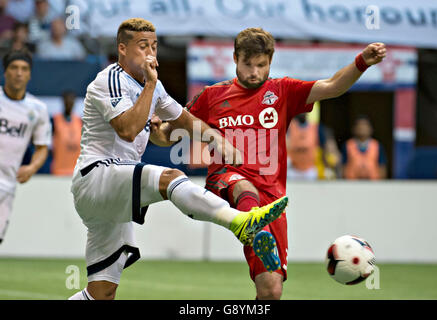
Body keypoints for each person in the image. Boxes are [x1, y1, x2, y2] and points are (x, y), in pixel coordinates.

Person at [152, 28, 386, 299]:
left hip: (272, 201)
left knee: (271, 291)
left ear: (270, 62)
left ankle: (256, 225)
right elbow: (168, 136)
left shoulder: (283, 91)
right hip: (227, 181)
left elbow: (333, 86)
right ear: (235, 58)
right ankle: (251, 222)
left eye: (261, 65)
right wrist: (156, 131)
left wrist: (362, 62)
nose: (254, 72)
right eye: (247, 64)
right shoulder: (211, 96)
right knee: (243, 186)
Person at [68, 18, 288, 301]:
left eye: (154, 46)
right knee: (171, 178)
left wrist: (217, 139)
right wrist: (150, 86)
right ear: (122, 49)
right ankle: (240, 222)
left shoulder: (153, 87)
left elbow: (183, 120)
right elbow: (127, 130)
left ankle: (242, 222)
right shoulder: (109, 80)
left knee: (101, 294)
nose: (150, 53)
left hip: (115, 197)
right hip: (96, 176)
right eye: (142, 46)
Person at [0, 49, 50, 244]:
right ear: (5, 72)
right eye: (14, 68)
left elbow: (42, 147)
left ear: (29, 74)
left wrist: (32, 167)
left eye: (24, 68)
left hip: (8, 184)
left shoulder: (37, 109)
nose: (19, 73)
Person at [286, 113, 341, 180]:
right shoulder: (289, 127)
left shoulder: (316, 128)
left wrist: (330, 166)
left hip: (311, 170)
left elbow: (329, 148)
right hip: (292, 170)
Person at [342, 115, 387, 179]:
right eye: (359, 125)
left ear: (370, 129)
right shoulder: (348, 145)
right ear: (354, 129)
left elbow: (382, 168)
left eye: (365, 125)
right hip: (352, 184)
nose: (362, 128)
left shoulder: (377, 146)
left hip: (373, 184)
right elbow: (343, 167)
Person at [50, 91, 81, 176]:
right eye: (67, 101)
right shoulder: (55, 120)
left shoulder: (80, 122)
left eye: (71, 101)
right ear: (63, 102)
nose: (69, 103)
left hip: (76, 171)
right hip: (58, 170)